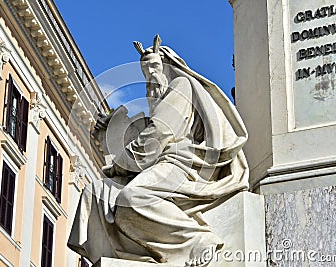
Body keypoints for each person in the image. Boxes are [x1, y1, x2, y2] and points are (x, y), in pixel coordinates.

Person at [68, 35, 249, 266]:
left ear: (168, 66)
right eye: (145, 71)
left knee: (132, 198)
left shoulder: (180, 85)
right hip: (163, 163)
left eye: (154, 67)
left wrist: (119, 165)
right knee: (95, 192)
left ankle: (199, 241)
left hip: (184, 162)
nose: (151, 76)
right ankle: (122, 254)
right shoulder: (162, 96)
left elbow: (157, 135)